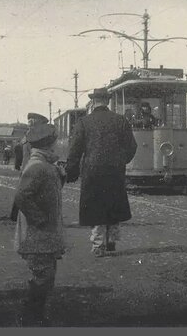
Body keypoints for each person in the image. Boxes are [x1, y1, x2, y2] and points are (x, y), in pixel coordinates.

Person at [65, 88, 137, 257]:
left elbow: (75, 149)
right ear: (108, 101)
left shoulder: (84, 122)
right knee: (113, 204)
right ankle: (111, 240)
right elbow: (132, 146)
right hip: (115, 170)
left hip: (92, 170)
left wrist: (72, 171)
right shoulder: (121, 121)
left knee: (96, 207)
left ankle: (98, 245)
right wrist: (121, 161)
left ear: (93, 102)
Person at [12, 122, 65, 326]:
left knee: (46, 275)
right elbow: (22, 196)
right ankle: (30, 318)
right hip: (38, 233)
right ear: (48, 144)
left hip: (43, 233)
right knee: (42, 276)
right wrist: (39, 220)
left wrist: (60, 176)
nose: (58, 144)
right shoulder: (38, 167)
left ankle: (35, 316)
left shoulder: (43, 165)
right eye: (55, 141)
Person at [11, 112, 51, 221]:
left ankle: (16, 215)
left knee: (25, 190)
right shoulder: (35, 137)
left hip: (27, 166)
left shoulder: (27, 136)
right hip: (32, 167)